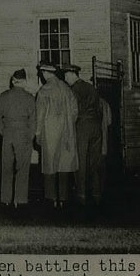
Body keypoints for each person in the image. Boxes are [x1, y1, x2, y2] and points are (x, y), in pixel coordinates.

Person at [0, 68, 36, 211]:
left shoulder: (4, 96)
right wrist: (30, 135)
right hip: (23, 133)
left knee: (7, 166)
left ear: (13, 81)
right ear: (24, 82)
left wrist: (2, 130)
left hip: (8, 133)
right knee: (22, 167)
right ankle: (20, 199)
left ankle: (5, 199)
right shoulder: (30, 98)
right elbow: (34, 120)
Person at [35, 62, 78, 209]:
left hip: (50, 132)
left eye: (42, 73)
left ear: (46, 73)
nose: (42, 75)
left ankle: (51, 198)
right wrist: (68, 126)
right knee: (64, 165)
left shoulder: (44, 91)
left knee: (49, 165)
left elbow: (39, 116)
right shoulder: (67, 89)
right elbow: (74, 112)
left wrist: (38, 133)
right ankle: (63, 199)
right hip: (66, 131)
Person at [63, 64, 102, 208]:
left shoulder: (73, 90)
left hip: (82, 127)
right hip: (96, 127)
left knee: (79, 162)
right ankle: (97, 196)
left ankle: (81, 197)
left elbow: (72, 113)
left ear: (73, 74)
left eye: (66, 75)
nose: (65, 78)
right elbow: (100, 109)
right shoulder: (91, 88)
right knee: (94, 163)